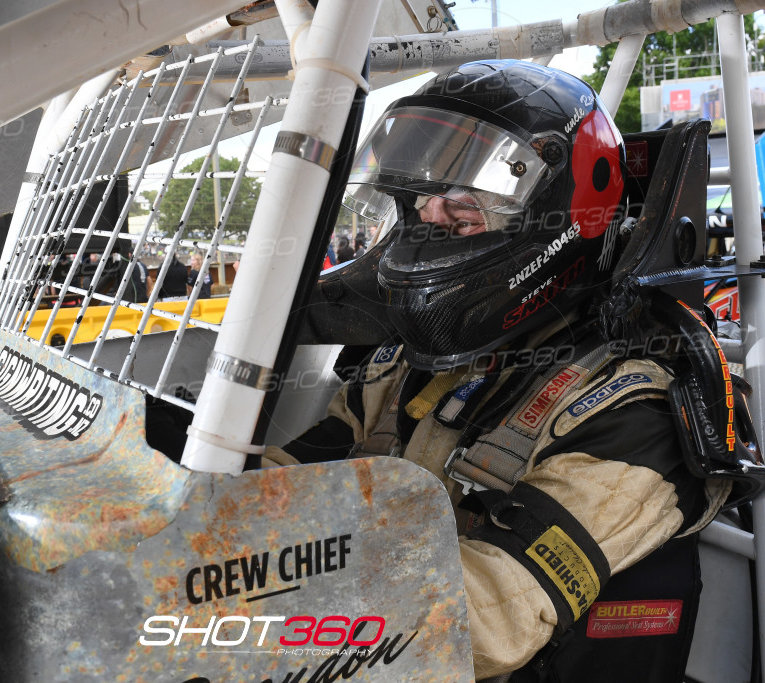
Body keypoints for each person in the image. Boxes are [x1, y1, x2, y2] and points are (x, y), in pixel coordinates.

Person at [264, 60, 741, 681]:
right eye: (423, 191)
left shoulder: (634, 412)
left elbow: (479, 622)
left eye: (468, 191)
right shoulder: (405, 362)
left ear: (560, 210)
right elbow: (288, 482)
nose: (431, 209)